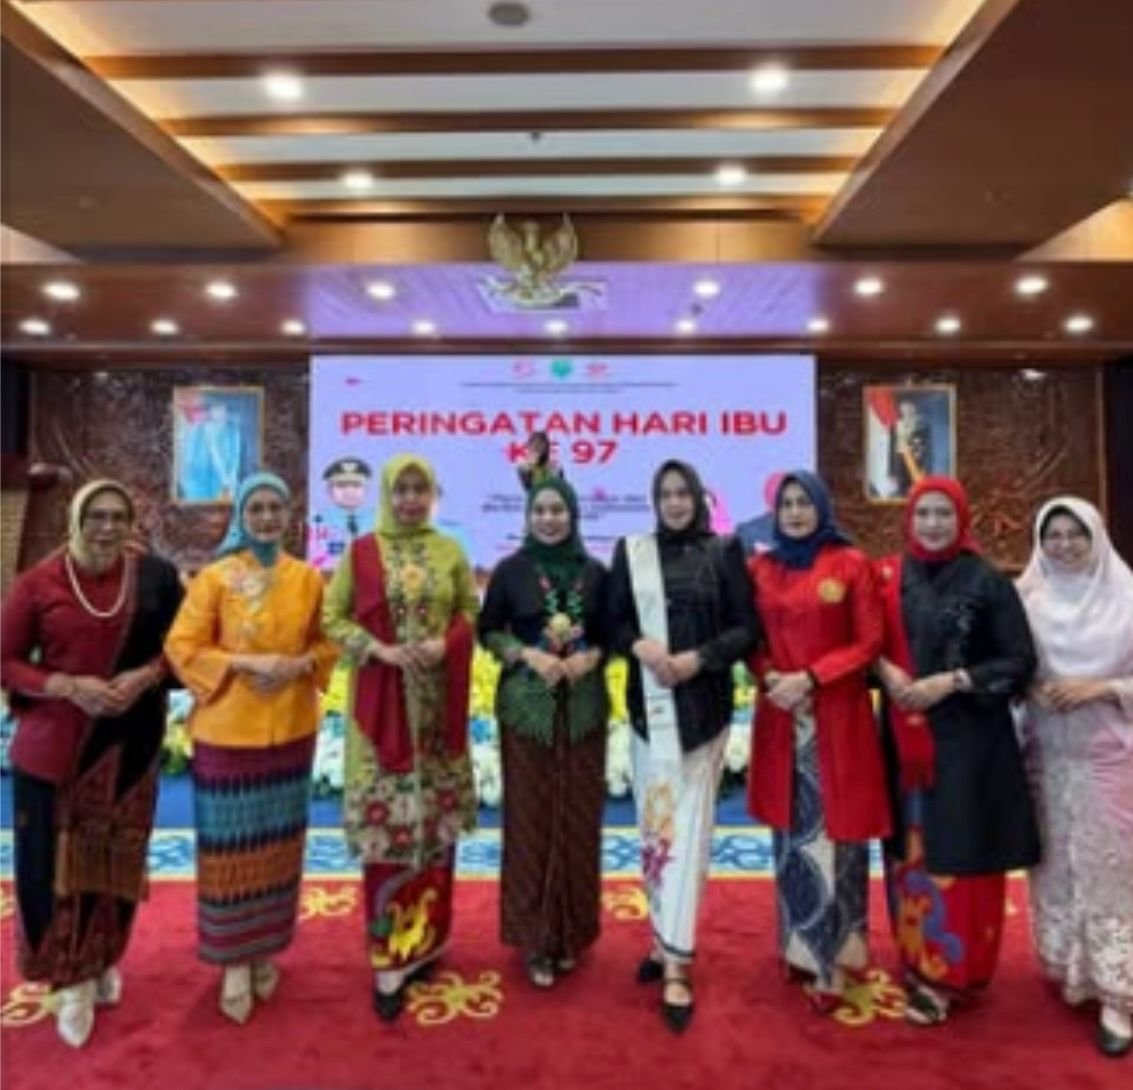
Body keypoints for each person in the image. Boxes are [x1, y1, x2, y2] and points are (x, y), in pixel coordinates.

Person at [0, 480, 183, 1047]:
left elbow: (185, 647)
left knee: (114, 863)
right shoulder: (39, 583)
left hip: (130, 747)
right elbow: (5, 660)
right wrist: (63, 684)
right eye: (96, 516)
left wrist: (146, 676)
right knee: (51, 871)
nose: (107, 527)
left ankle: (103, 959)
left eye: (118, 517)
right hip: (57, 752)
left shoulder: (155, 577)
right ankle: (69, 979)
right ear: (76, 520)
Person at [164, 472, 338, 1024]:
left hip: (290, 732)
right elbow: (182, 646)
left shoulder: (307, 578)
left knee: (278, 847)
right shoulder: (215, 577)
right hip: (227, 733)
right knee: (229, 852)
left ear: (289, 516)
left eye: (274, 508)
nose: (266, 517)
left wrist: (298, 665)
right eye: (256, 508)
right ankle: (233, 961)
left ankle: (265, 949)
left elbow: (328, 641)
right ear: (241, 515)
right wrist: (243, 662)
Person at [875, 476, 1040, 1026]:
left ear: (961, 519)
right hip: (904, 742)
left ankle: (954, 975)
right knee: (911, 852)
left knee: (962, 854)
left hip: (968, 745)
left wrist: (953, 681)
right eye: (923, 513)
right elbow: (867, 640)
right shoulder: (890, 578)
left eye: (944, 513)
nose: (933, 524)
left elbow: (1019, 661)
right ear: (909, 519)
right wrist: (886, 672)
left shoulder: (987, 581)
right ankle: (915, 962)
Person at [322, 453, 479, 1022]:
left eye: (420, 489)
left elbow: (470, 612)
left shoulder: (450, 550)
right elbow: (331, 618)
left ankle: (428, 944)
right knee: (387, 836)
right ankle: (390, 957)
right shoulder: (362, 552)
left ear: (433, 494)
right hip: (381, 713)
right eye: (402, 490)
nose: (411, 499)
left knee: (434, 833)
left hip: (436, 712)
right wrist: (379, 650)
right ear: (387, 495)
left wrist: (445, 644)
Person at [607, 459, 759, 1033]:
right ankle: (662, 937)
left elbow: (746, 629)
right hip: (649, 713)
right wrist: (639, 646)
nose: (674, 503)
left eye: (683, 493)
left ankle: (676, 961)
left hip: (703, 713)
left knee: (689, 836)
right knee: (656, 830)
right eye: (665, 494)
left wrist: (700, 659)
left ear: (698, 498)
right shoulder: (633, 552)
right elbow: (612, 622)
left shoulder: (724, 552)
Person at [746, 471, 889, 1011]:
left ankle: (834, 961)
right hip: (782, 717)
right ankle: (800, 947)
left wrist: (810, 677)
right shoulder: (762, 569)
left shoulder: (850, 564)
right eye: (786, 503)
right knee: (792, 841)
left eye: (804, 502)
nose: (795, 512)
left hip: (836, 718)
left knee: (839, 840)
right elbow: (751, 639)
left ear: (822, 507)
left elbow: (869, 641)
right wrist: (771, 678)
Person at [479, 478, 608, 988]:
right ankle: (535, 939)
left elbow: (614, 632)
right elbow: (489, 629)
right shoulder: (511, 571)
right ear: (528, 516)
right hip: (526, 713)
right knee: (529, 822)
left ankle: (572, 933)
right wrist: (525, 654)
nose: (549, 519)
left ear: (573, 515)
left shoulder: (595, 573)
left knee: (578, 820)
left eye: (558, 510)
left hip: (583, 712)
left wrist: (591, 658)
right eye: (541, 511)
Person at [1017, 497, 1133, 1058]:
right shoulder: (1027, 599)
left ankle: (1118, 993)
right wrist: (1029, 687)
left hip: (1108, 754)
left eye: (1075, 534)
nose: (1063, 545)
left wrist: (1102, 688)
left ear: (1096, 537)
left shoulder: (1126, 597)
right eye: (1053, 535)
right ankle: (1070, 966)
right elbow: (1011, 663)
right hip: (1046, 754)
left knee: (1111, 868)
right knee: (1056, 865)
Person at [889, 397, 933, 498]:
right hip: (899, 464)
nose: (907, 409)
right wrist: (891, 471)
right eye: (904, 406)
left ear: (914, 408)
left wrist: (926, 468)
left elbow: (928, 450)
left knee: (917, 493)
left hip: (917, 464)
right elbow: (891, 451)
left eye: (909, 406)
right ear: (900, 408)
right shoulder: (895, 426)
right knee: (901, 493)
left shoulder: (923, 427)